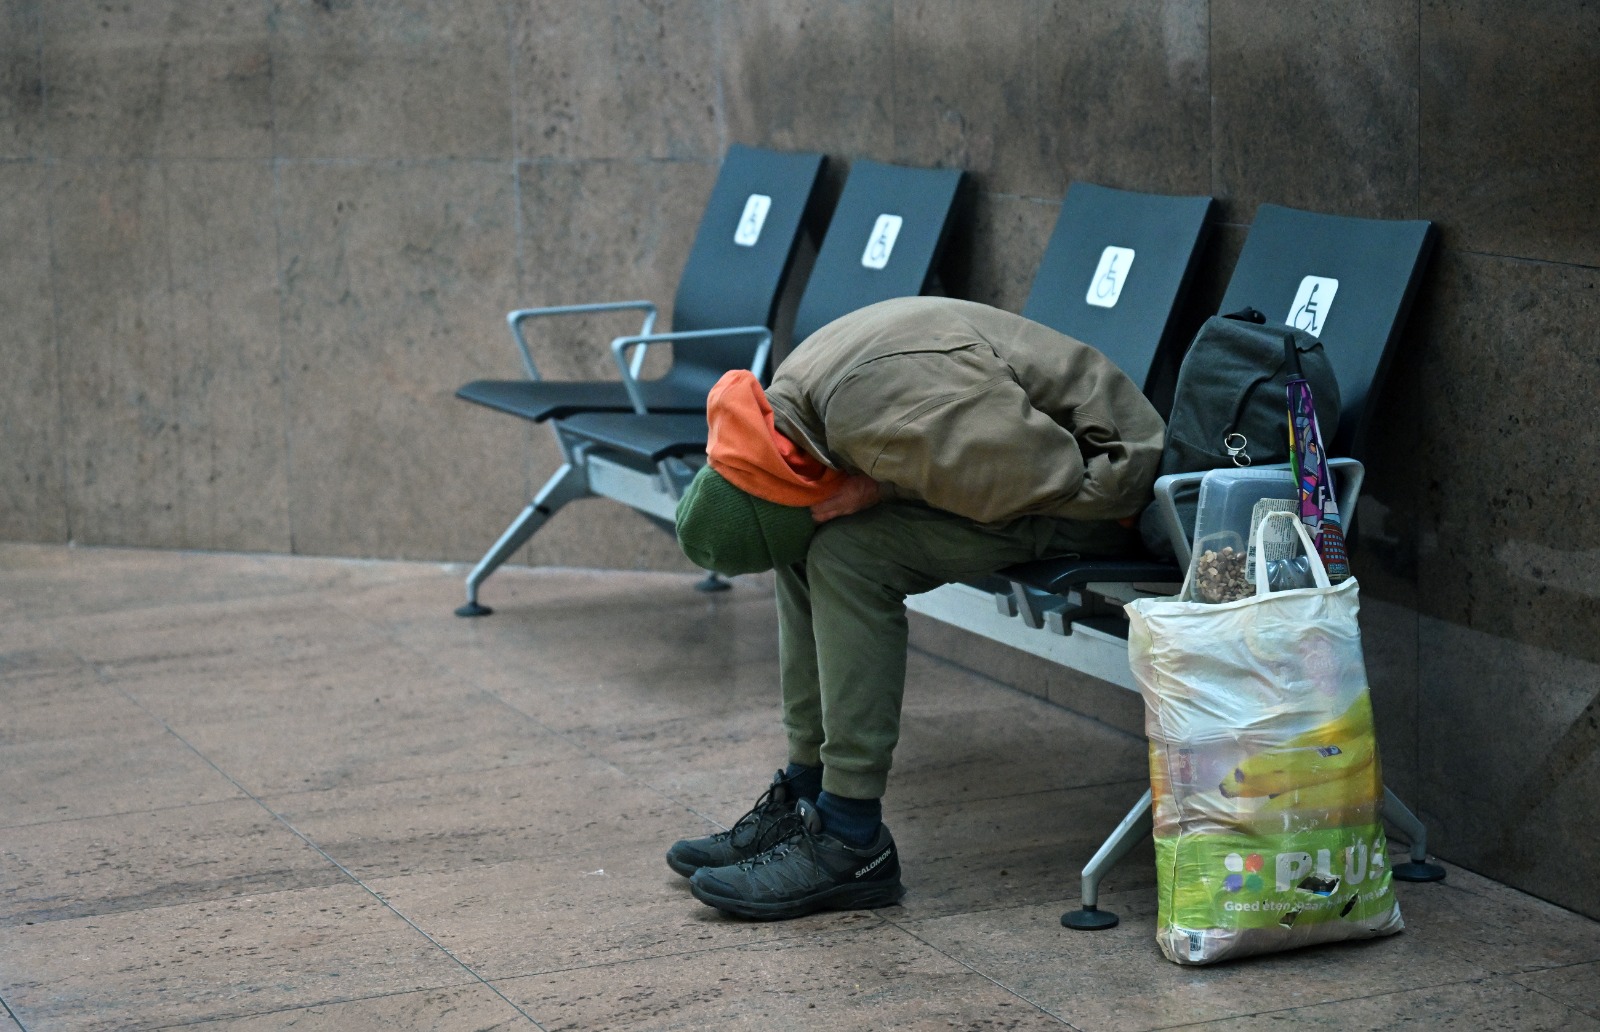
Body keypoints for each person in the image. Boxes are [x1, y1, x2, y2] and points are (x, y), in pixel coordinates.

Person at [666, 296, 1165, 920]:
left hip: (1106, 484)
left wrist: (878, 486)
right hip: (1017, 457)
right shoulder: (792, 404)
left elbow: (1047, 475)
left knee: (848, 556)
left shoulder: (883, 416)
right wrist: (874, 486)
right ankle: (806, 792)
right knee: (809, 546)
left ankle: (851, 838)